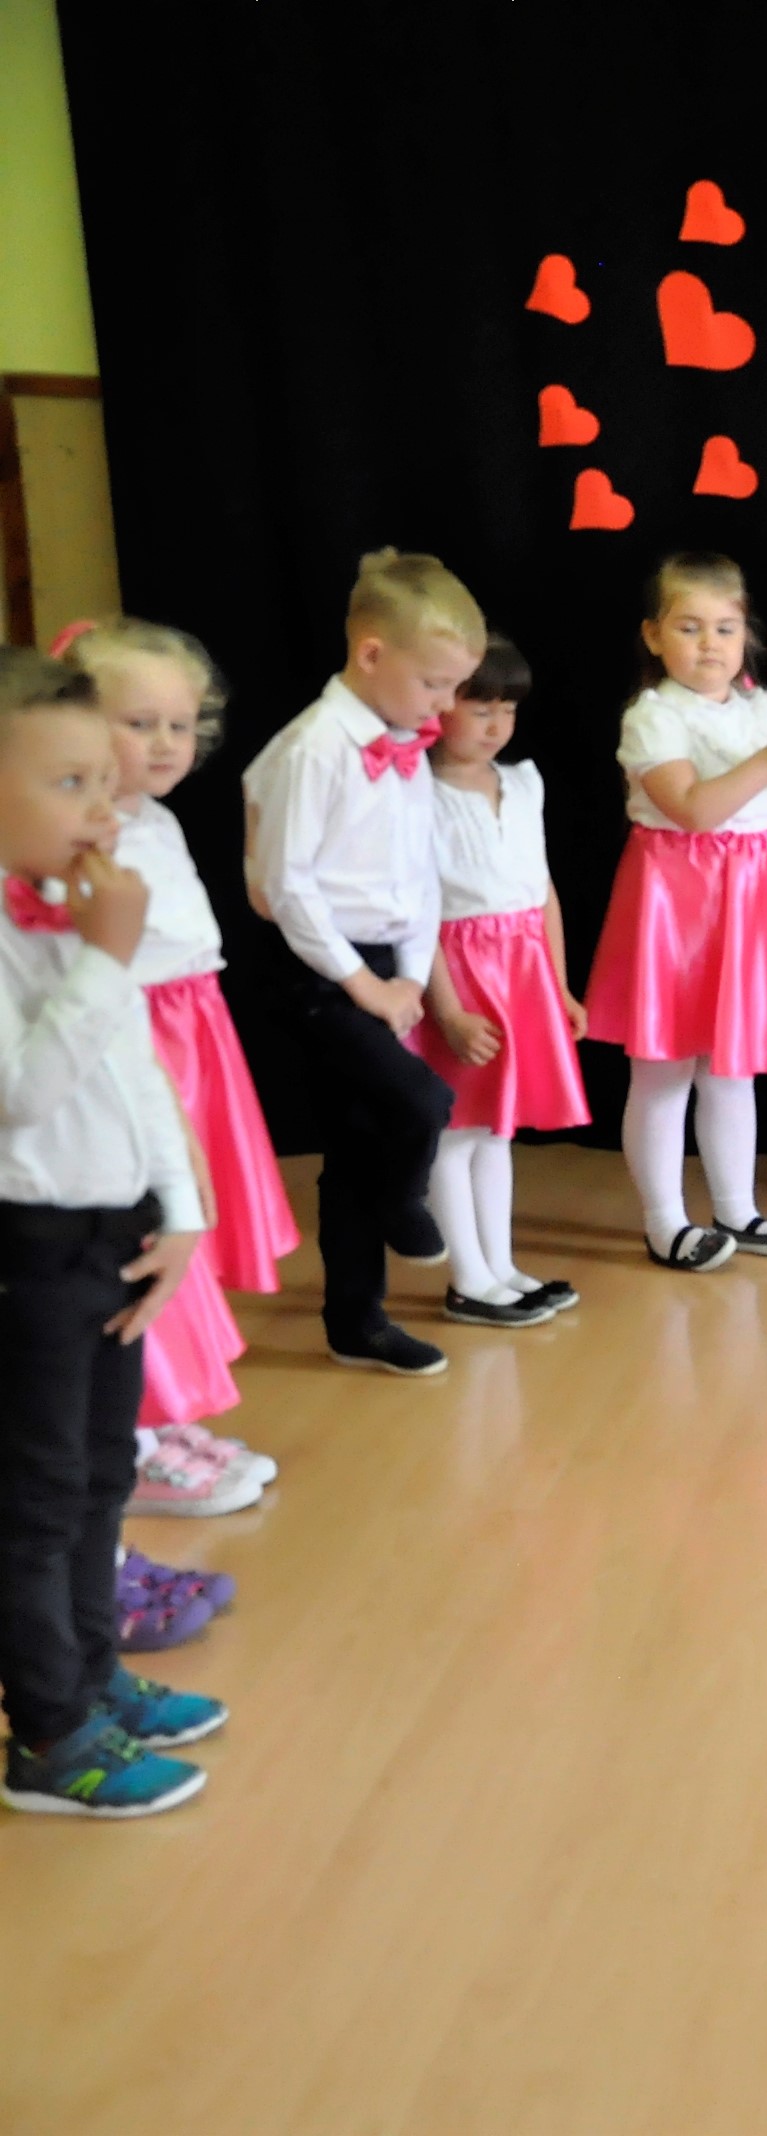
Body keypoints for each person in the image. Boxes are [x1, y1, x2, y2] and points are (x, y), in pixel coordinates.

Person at [0, 646, 224, 1819]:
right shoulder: (62, 934)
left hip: (113, 1231)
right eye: (68, 785)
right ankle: (47, 1733)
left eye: (103, 783)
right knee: (35, 1499)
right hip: (27, 1253)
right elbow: (21, 1095)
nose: (103, 809)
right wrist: (102, 959)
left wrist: (179, 1213)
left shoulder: (76, 912)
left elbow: (137, 1077)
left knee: (101, 1475)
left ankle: (92, 1677)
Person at [584, 553, 767, 1271]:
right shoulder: (653, 716)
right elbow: (695, 810)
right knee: (665, 1067)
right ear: (653, 635)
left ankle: (737, 1208)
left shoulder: (764, 709)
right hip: (675, 899)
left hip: (751, 893)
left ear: (746, 635)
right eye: (690, 627)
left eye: (726, 628)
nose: (710, 644)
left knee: (732, 1068)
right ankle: (665, 1221)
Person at [244, 550, 478, 1374]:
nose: (446, 706)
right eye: (435, 684)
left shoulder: (402, 745)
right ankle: (401, 1200)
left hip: (381, 961)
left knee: (355, 1140)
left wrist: (409, 974)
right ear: (372, 654)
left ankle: (356, 1320)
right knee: (422, 1099)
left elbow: (419, 877)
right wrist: (363, 985)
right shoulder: (314, 748)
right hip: (314, 965)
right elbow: (285, 885)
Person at [70, 618, 285, 1514]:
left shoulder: (152, 819)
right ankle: (128, 1443)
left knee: (185, 1237)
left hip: (196, 1039)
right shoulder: (79, 841)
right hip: (140, 1048)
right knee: (148, 1234)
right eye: (139, 723)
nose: (166, 744)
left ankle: (160, 1420)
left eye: (180, 725)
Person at [415, 636, 590, 1320]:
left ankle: (501, 1266)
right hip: (460, 972)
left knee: (496, 1129)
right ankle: (468, 1278)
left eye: (507, 710)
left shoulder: (523, 783)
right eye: (479, 708)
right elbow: (418, 911)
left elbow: (542, 891)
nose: (496, 726)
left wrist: (560, 984)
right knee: (457, 1130)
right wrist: (448, 1010)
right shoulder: (416, 793)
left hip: (521, 968)